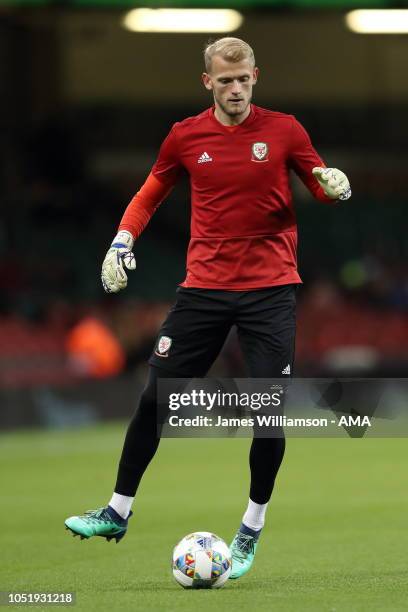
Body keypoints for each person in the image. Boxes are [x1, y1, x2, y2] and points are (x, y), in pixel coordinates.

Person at [65, 37, 351, 579]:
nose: (236, 89)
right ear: (208, 83)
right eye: (225, 81)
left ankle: (251, 528)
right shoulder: (184, 137)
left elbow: (319, 184)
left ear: (255, 77)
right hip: (204, 291)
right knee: (155, 400)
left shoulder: (285, 129)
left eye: (244, 79)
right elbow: (151, 191)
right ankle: (116, 511)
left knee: (268, 418)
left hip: (270, 292)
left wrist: (331, 185)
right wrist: (122, 240)